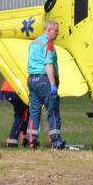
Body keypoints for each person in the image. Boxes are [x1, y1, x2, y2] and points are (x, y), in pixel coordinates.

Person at [26, 20, 65, 149]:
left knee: (34, 112)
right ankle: (56, 141)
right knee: (53, 111)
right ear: (49, 30)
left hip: (32, 80)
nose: (58, 33)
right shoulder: (48, 43)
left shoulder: (34, 42)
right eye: (56, 31)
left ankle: (31, 140)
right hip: (44, 80)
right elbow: (48, 64)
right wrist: (53, 84)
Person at [0, 80, 28, 148]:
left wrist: (1, 92)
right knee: (21, 116)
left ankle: (22, 138)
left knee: (22, 115)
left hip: (7, 90)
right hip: (17, 91)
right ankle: (13, 141)